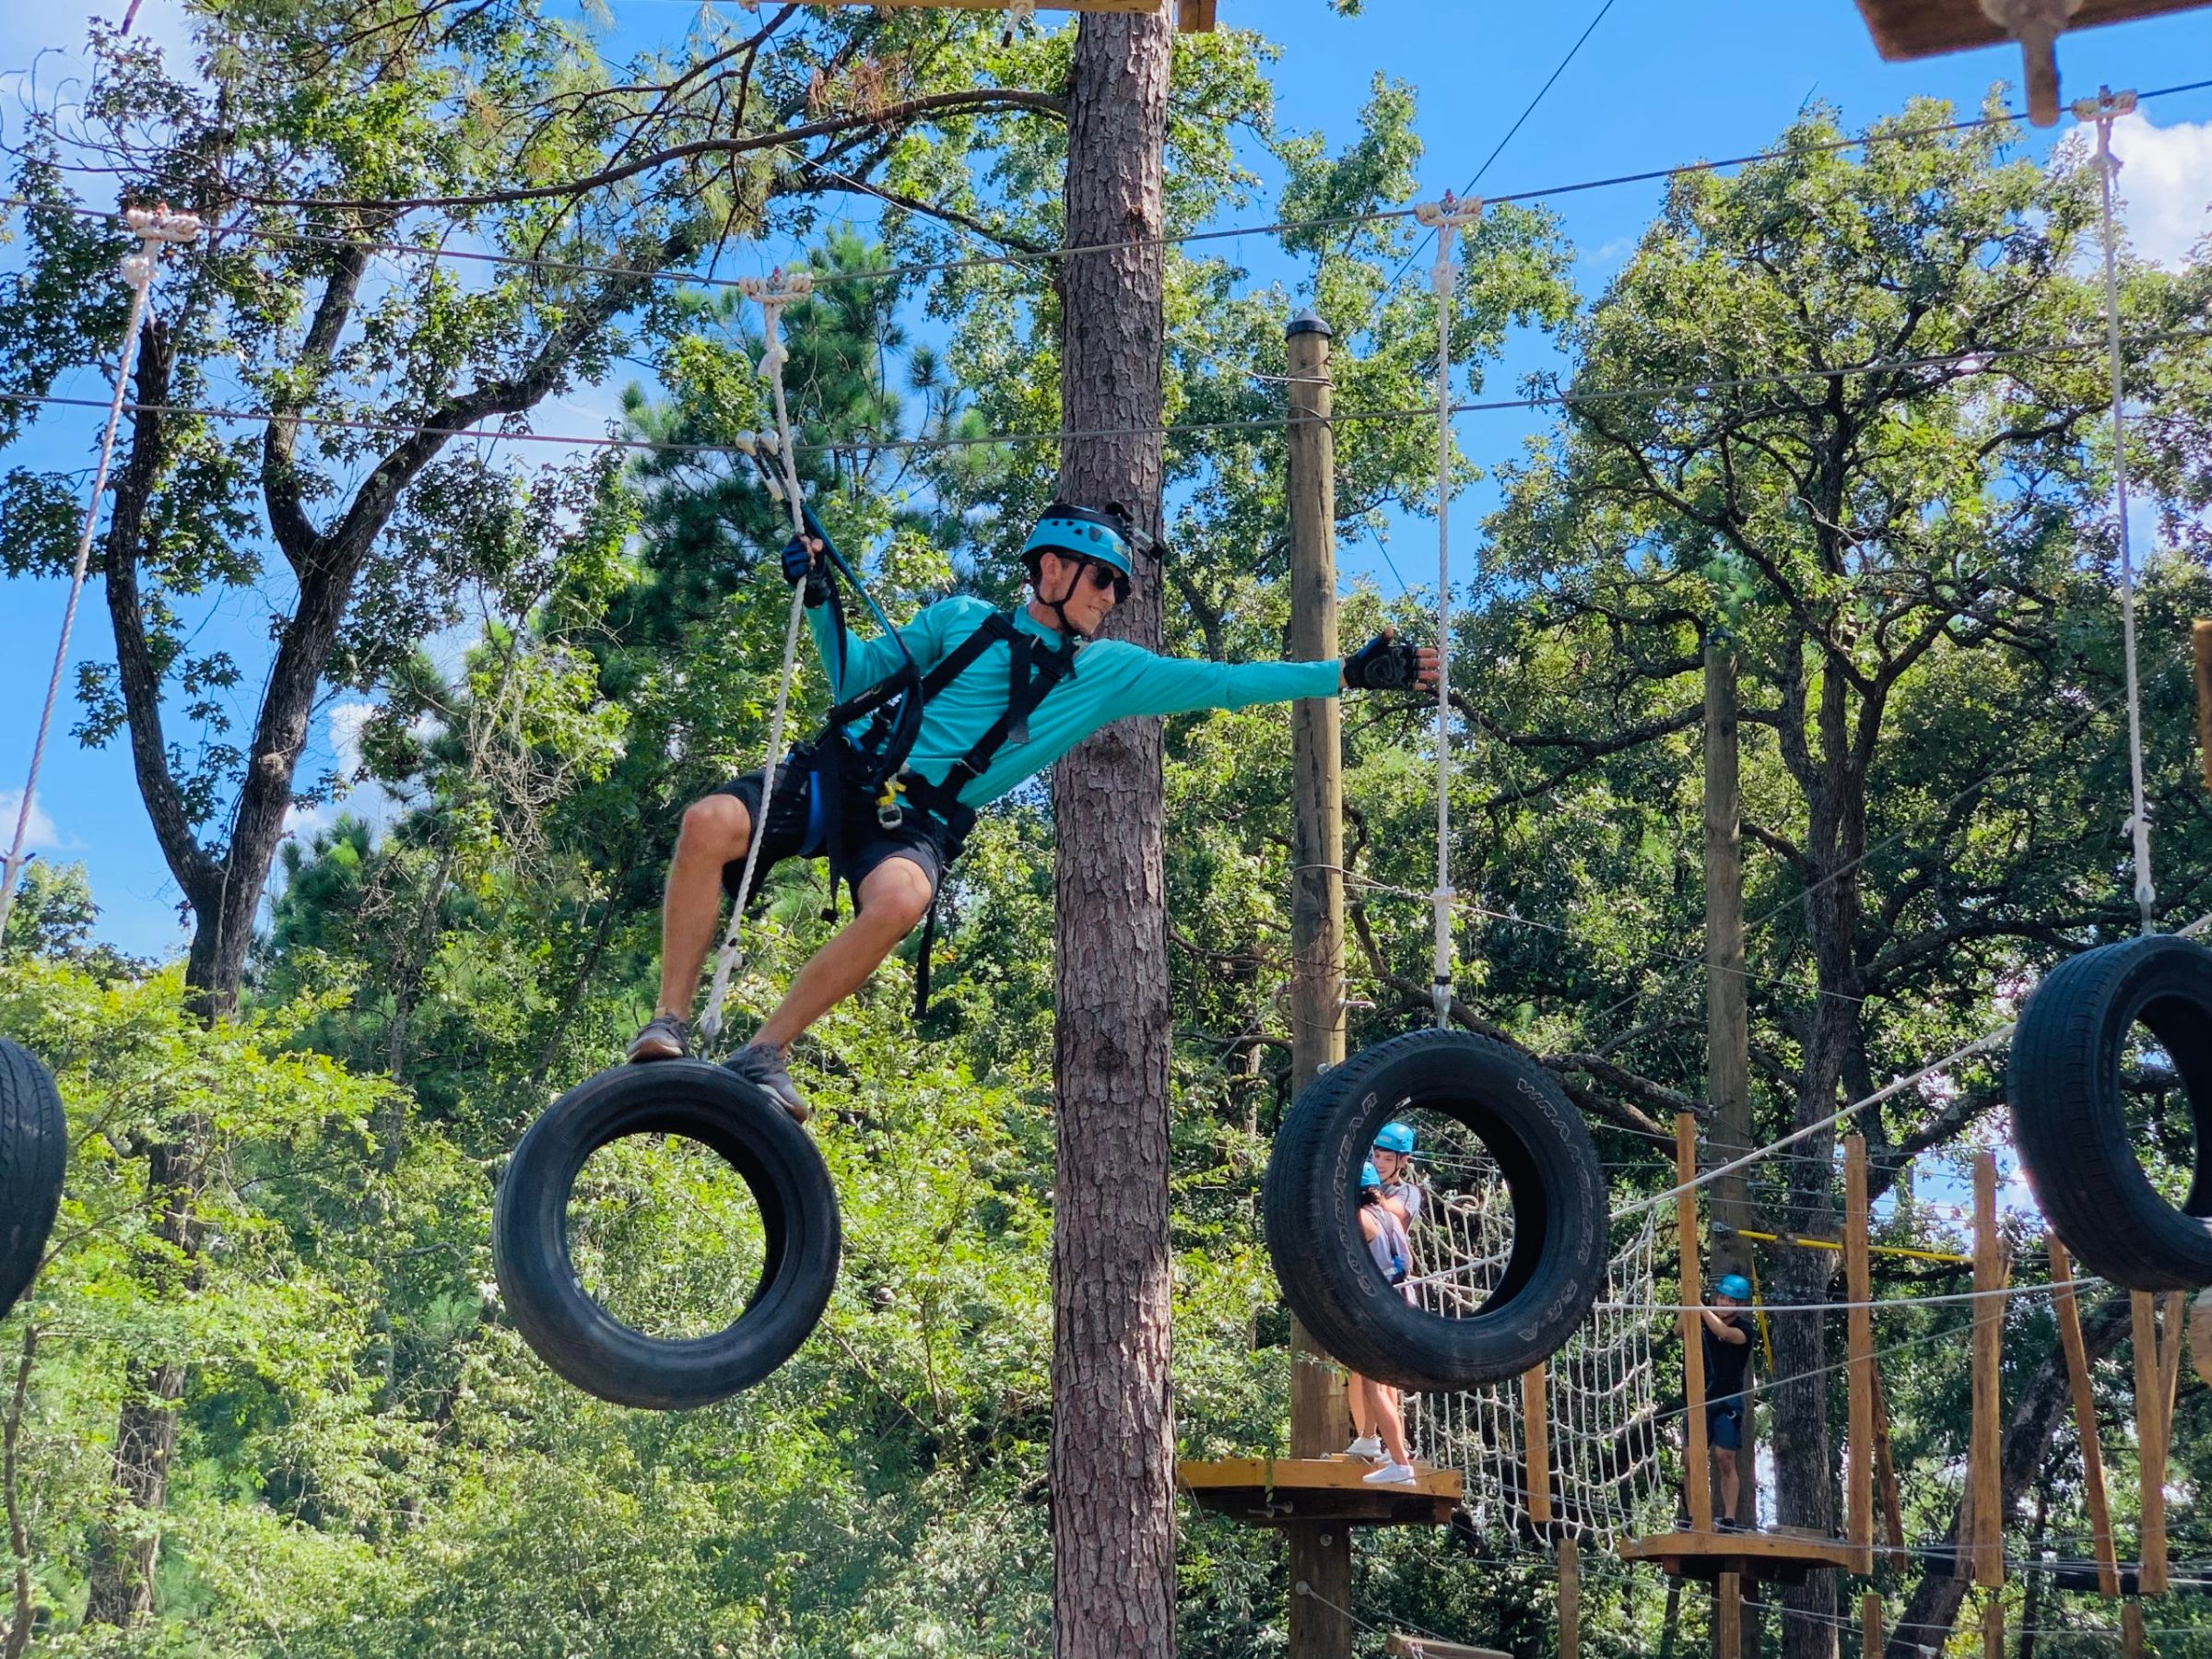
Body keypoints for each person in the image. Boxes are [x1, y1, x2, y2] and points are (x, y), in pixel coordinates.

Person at [626, 501, 1439, 1121]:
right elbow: (853, 677)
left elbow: (1224, 683)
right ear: (1052, 571)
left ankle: (765, 1051)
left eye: (1119, 586)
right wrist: (820, 596)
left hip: (921, 820)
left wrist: (1346, 674)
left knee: (903, 899)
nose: (1113, 598)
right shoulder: (959, 621)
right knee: (707, 824)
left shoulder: (1108, 672)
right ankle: (669, 1019)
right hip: (846, 771)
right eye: (1104, 580)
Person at [1347, 1122, 1424, 1473]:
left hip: (1388, 1291)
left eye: (1386, 1156)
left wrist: (1361, 1195)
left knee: (1382, 1378)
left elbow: (1389, 1218)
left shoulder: (1405, 1196)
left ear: (1403, 1161)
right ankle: (1369, 1439)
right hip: (1378, 1289)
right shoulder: (1375, 1204)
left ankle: (1397, 1452)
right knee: (1359, 1371)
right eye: (1375, 1155)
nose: (1379, 1161)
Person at [1700, 1271, 1755, 1531]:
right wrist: (1688, 1307)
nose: (1724, 1304)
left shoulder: (1744, 1330)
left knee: (1724, 1457)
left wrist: (1696, 1305)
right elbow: (1677, 1331)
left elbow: (1722, 1331)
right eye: (1721, 1298)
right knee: (1691, 1458)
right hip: (1700, 1397)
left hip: (1729, 1399)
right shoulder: (1701, 1320)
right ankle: (1692, 1515)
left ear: (1740, 1306)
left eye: (1731, 1301)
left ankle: (1729, 1517)